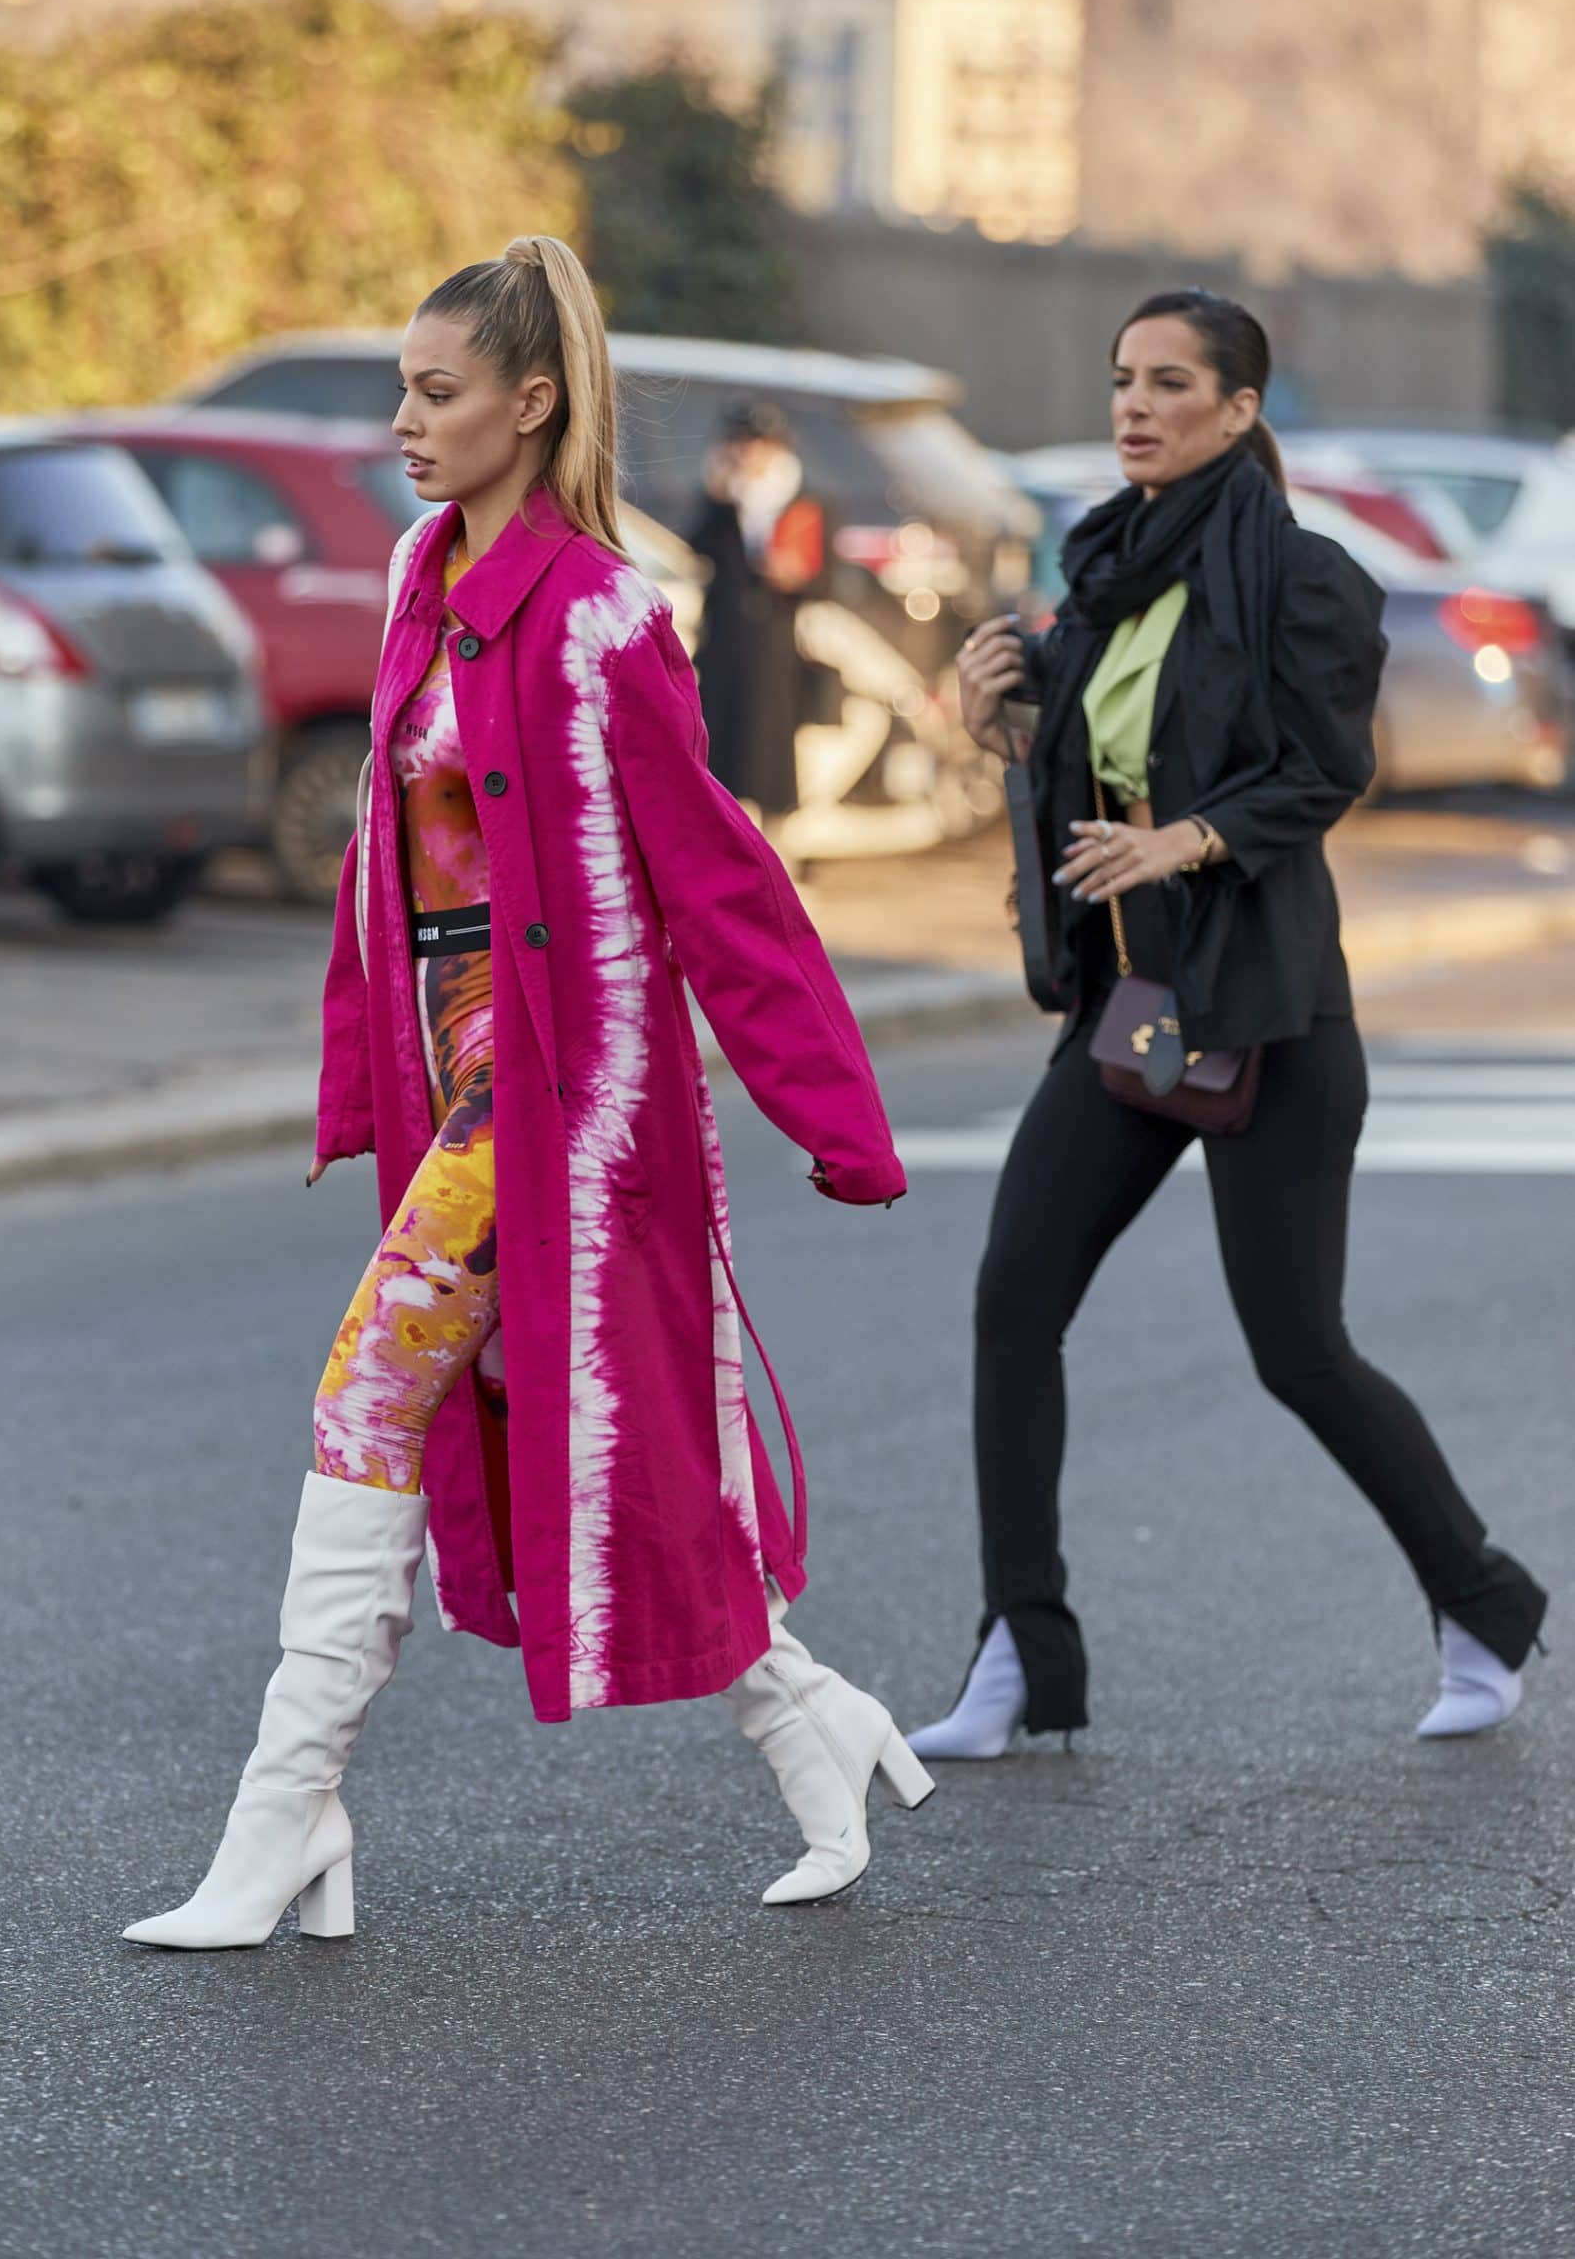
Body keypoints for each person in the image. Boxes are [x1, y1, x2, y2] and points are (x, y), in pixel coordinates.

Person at [123, 236, 930, 1950]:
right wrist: (358, 1081)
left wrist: (832, 1119)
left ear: (532, 403)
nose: (403, 424)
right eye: (400, 391)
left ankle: (285, 1816)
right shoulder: (418, 572)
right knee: (623, 1449)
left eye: (437, 393)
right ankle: (813, 1723)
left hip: (565, 1091)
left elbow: (718, 880)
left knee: (371, 1394)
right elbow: (387, 865)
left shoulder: (604, 618)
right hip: (451, 1067)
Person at [909, 288, 1547, 1763]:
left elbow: (1324, 769)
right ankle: (1019, 1646)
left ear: (1239, 409)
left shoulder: (1305, 579)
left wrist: (1185, 841)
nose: (1134, 406)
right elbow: (1091, 773)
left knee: (1297, 1349)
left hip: (1267, 1014)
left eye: (1169, 383)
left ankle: (1481, 1602)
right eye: (1122, 379)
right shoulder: (1104, 571)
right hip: (1132, 1012)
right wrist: (1006, 724)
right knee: (1013, 1303)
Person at [689, 401, 824, 835]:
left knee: (768, 750)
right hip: (725, 638)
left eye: (757, 444)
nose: (747, 454)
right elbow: (698, 549)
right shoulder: (723, 501)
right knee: (721, 748)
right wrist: (718, 500)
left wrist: (795, 576)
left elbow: (823, 574)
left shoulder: (800, 499)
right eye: (740, 444)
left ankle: (775, 841)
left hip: (774, 640)